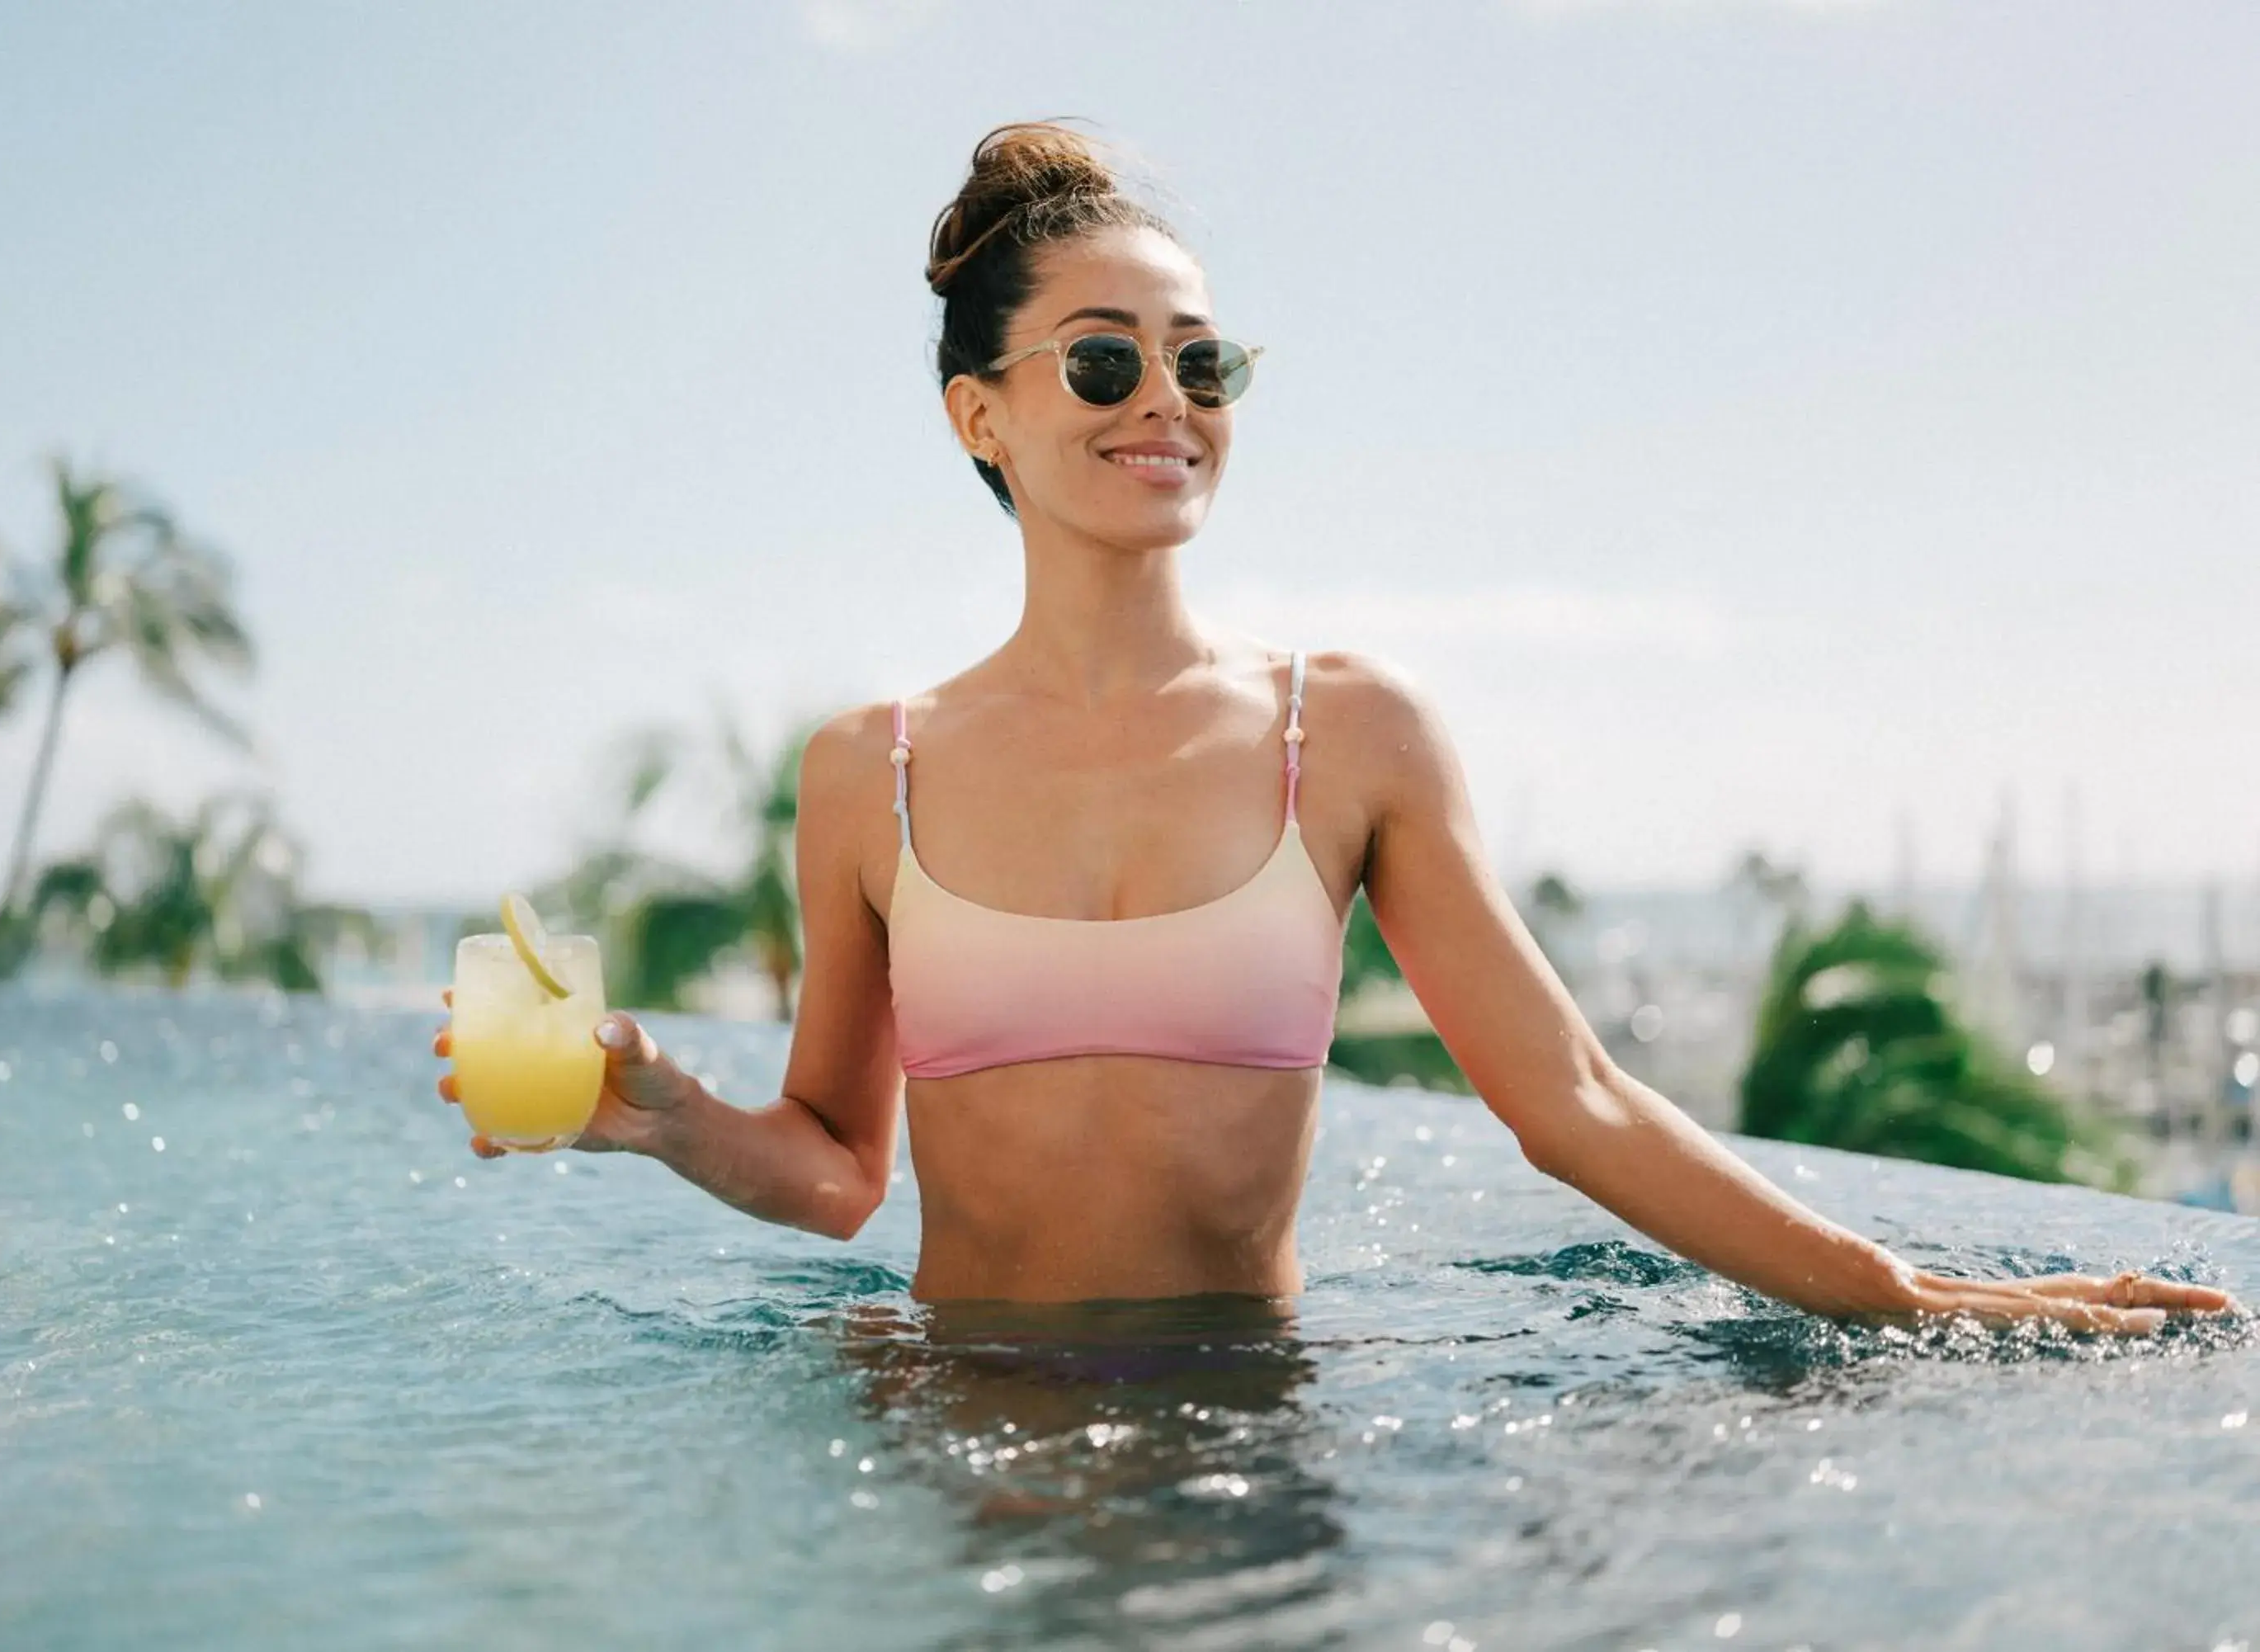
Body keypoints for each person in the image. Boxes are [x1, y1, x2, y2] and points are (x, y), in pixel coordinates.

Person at [435, 118, 2240, 1338]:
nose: (1168, 400)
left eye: (1202, 360)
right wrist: (665, 1115)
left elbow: (1577, 1102)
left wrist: (1907, 1293)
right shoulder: (868, 771)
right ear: (982, 415)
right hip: (950, 1434)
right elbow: (841, 1173)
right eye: (1103, 359)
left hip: (1252, 1433)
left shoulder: (1348, 735)